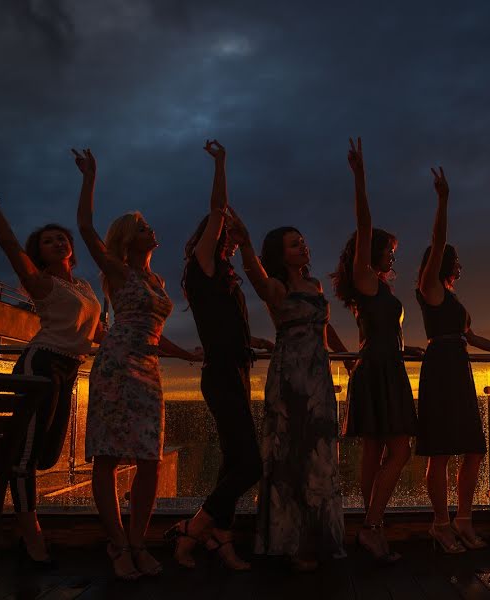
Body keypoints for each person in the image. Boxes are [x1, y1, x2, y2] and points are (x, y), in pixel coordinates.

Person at [0, 168, 102, 568]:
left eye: (63, 238)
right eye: (48, 240)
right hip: (39, 366)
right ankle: (31, 534)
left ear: (71, 250)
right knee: (24, 456)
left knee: (45, 457)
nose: (58, 241)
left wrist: (171, 351)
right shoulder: (43, 284)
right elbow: (7, 243)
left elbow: (101, 336)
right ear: (39, 252)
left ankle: (25, 524)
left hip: (69, 369)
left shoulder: (86, 290)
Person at [74, 148, 200, 580]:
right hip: (115, 367)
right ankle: (118, 544)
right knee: (108, 457)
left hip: (147, 368)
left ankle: (136, 541)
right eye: (144, 227)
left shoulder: (156, 281)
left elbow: (154, 333)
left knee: (149, 459)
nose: (152, 230)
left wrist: (188, 355)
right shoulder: (118, 270)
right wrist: (91, 178)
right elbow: (87, 228)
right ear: (129, 239)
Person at [166, 140, 273, 570]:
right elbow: (218, 209)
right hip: (220, 374)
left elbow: (226, 326)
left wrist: (254, 344)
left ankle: (221, 539)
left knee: (233, 459)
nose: (228, 239)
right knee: (251, 464)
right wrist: (222, 163)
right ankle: (193, 530)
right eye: (224, 236)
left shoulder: (224, 271)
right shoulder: (202, 263)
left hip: (236, 369)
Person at [227, 209, 348, 571]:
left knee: (322, 456)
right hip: (291, 379)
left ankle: (319, 538)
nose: (303, 247)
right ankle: (293, 545)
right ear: (282, 255)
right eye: (295, 245)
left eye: (303, 242)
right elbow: (256, 278)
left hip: (320, 377)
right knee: (292, 456)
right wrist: (246, 244)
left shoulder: (315, 286)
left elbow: (323, 329)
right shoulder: (278, 288)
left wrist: (350, 357)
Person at [416, 167, 490, 553]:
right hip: (440, 369)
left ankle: (462, 519)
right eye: (456, 259)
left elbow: (472, 337)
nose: (460, 264)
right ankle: (441, 524)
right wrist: (443, 200)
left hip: (458, 368)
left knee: (474, 448)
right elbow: (438, 238)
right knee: (441, 451)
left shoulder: (454, 300)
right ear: (441, 262)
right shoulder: (429, 288)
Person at [330, 138, 421, 563]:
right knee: (398, 450)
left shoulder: (378, 288)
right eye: (389, 248)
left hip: (385, 366)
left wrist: (408, 347)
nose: (390, 253)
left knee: (375, 452)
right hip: (377, 370)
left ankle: (372, 529)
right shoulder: (365, 279)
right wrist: (360, 175)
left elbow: (384, 332)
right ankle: (370, 527)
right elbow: (364, 223)